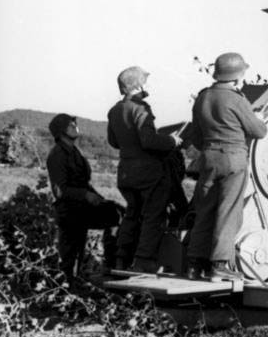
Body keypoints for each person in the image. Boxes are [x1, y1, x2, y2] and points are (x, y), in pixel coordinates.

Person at [186, 52, 268, 280]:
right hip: (233, 159)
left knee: (205, 210)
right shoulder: (236, 99)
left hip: (208, 159)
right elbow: (258, 131)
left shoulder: (203, 97)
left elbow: (195, 135)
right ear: (238, 75)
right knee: (228, 211)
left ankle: (194, 264)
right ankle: (220, 265)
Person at [108, 66, 182, 273]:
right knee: (153, 216)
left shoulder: (114, 110)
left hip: (125, 172)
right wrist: (171, 140)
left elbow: (113, 141)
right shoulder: (140, 108)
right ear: (138, 85)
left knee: (132, 214)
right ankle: (143, 260)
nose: (148, 85)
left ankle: (121, 258)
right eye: (146, 81)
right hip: (148, 173)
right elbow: (148, 140)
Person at [46, 114, 122, 281]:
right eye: (70, 125)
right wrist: (85, 195)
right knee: (70, 258)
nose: (75, 125)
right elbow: (59, 191)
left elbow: (84, 183)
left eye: (75, 123)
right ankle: (66, 289)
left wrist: (99, 198)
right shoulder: (57, 155)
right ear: (60, 132)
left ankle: (112, 267)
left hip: (82, 208)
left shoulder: (75, 152)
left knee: (117, 213)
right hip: (69, 211)